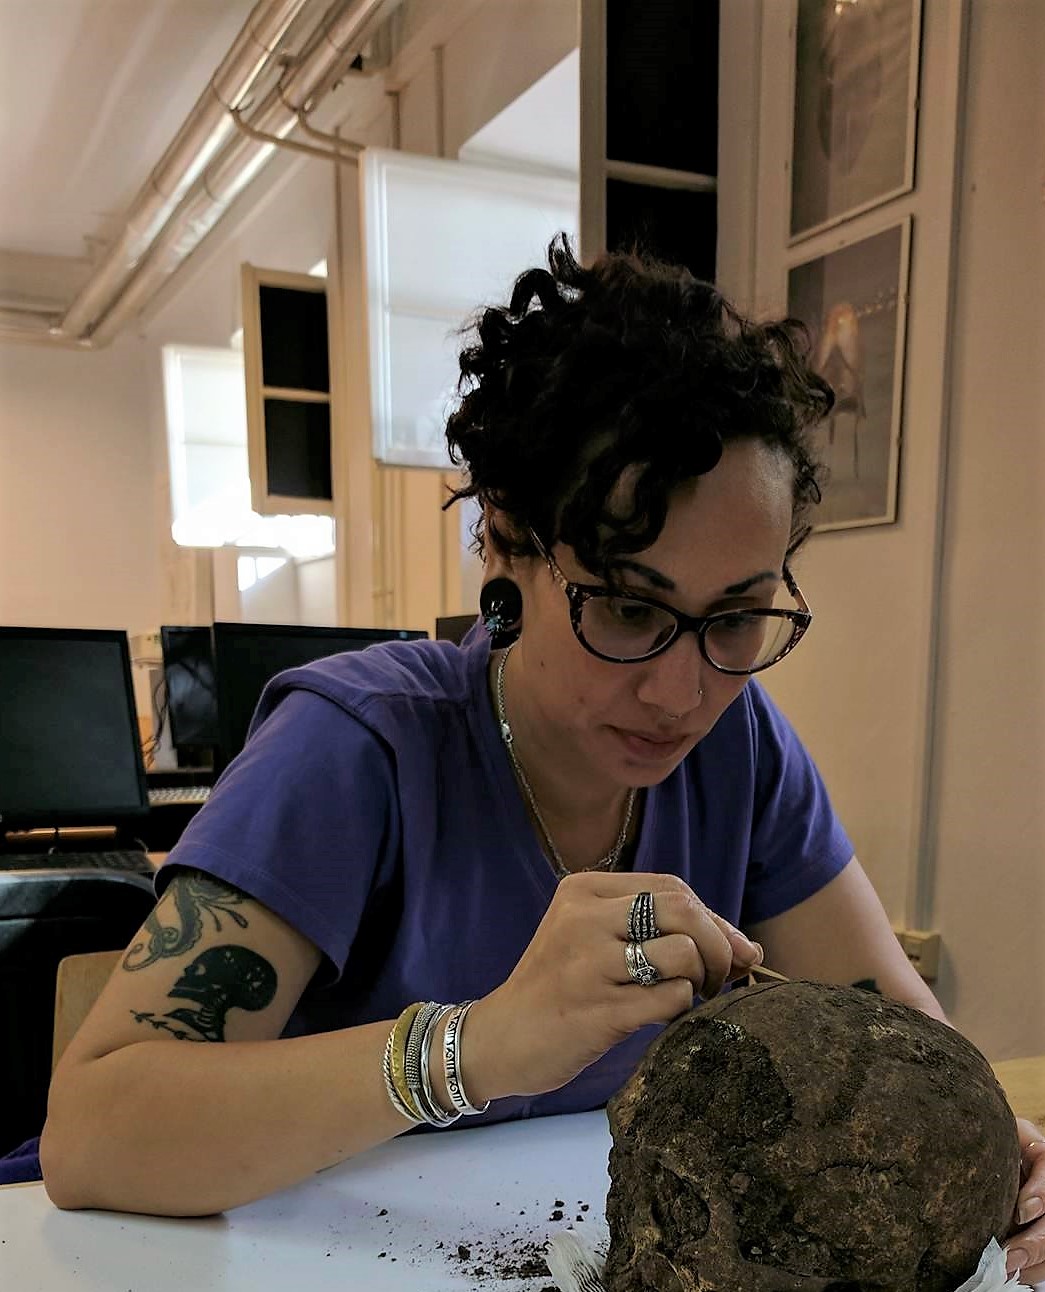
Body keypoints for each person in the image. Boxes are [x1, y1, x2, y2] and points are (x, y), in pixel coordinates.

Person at [32, 238, 1044, 1275]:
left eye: (737, 617)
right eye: (627, 607)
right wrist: (473, 1048)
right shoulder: (355, 746)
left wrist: (994, 1150)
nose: (681, 693)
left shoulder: (741, 749)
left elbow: (906, 1037)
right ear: (505, 538)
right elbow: (93, 1135)